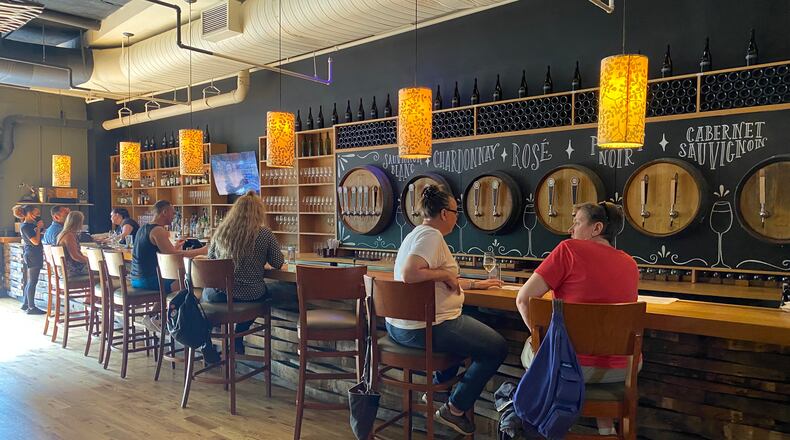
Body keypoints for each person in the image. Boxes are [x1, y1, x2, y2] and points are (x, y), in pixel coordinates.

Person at [389, 185, 507, 436]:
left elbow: (437, 279)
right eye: (456, 212)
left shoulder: (416, 234)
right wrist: (446, 273)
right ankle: (454, 408)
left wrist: (475, 284)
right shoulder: (431, 236)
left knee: (467, 329)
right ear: (444, 213)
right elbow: (412, 274)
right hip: (425, 328)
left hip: (402, 327)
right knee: (496, 347)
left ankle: (438, 390)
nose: (457, 217)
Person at [515, 201, 639, 436]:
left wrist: (547, 346)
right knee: (588, 345)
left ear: (596, 228)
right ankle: (606, 428)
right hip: (623, 369)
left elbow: (523, 299)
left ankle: (553, 421)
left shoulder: (568, 250)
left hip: (571, 368)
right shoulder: (630, 264)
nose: (571, 229)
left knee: (535, 349)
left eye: (577, 222)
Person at [201, 190, 291, 358]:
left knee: (204, 296)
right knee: (266, 296)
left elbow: (211, 261)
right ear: (259, 212)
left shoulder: (221, 232)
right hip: (250, 295)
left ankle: (206, 342)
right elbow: (278, 263)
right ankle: (238, 337)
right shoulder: (264, 233)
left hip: (219, 295)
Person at [131, 200, 207, 294]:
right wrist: (202, 250)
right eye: (173, 213)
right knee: (190, 281)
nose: (173, 217)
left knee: (180, 278)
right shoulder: (158, 230)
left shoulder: (143, 228)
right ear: (165, 212)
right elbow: (175, 255)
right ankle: (181, 307)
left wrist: (175, 247)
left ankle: (162, 308)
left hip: (135, 278)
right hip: (148, 280)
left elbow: (166, 252)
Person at [15, 205, 46, 315]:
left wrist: (39, 228)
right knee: (33, 281)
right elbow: (36, 242)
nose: (37, 215)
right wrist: (38, 228)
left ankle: (25, 303)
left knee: (31, 281)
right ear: (28, 213)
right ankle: (31, 308)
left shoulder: (30, 225)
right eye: (35, 213)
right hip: (32, 254)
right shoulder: (25, 226)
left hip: (33, 253)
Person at [55, 211, 89, 278]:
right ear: (78, 223)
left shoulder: (63, 234)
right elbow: (75, 256)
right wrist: (90, 261)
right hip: (71, 270)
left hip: (64, 269)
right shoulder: (69, 236)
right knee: (104, 269)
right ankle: (102, 287)